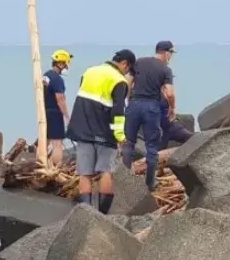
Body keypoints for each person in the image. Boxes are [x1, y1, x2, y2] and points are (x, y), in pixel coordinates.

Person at [66, 49, 136, 213]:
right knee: (106, 171)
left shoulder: (89, 72)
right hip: (104, 133)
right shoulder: (119, 81)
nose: (127, 73)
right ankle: (102, 216)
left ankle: (85, 213)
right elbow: (118, 112)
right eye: (128, 70)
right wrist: (120, 136)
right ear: (125, 64)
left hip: (82, 130)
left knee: (84, 173)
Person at [122, 41, 176, 190]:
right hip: (151, 107)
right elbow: (170, 93)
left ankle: (125, 179)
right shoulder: (166, 69)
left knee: (128, 142)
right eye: (171, 54)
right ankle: (150, 183)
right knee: (152, 146)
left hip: (134, 104)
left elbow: (127, 82)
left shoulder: (139, 62)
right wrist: (172, 108)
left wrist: (127, 99)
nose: (171, 57)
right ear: (166, 53)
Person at [43, 49, 73, 167]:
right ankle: (56, 167)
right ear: (60, 64)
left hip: (44, 111)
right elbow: (60, 99)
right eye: (66, 64)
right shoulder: (57, 79)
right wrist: (67, 116)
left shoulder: (46, 76)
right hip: (55, 112)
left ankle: (41, 164)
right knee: (57, 143)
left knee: (44, 141)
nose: (67, 67)